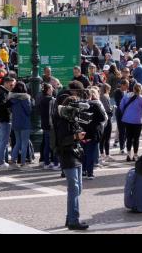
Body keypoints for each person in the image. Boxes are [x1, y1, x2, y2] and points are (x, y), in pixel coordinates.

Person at [54, 94, 89, 230]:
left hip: (76, 155)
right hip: (67, 156)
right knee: (74, 188)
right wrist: (75, 136)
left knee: (78, 188)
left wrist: (81, 136)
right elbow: (61, 141)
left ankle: (70, 218)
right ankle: (74, 220)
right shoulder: (63, 121)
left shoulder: (72, 119)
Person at [80, 88, 107, 179]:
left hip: (82, 132)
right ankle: (89, 173)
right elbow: (103, 118)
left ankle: (83, 170)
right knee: (90, 153)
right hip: (92, 132)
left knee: (83, 152)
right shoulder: (95, 105)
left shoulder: (79, 105)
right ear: (91, 96)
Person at [6, 81, 32, 169]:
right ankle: (23, 163)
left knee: (18, 142)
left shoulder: (12, 98)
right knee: (24, 143)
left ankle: (13, 162)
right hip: (25, 123)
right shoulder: (25, 98)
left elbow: (10, 110)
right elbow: (28, 111)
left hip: (15, 123)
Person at [120, 83, 142, 162]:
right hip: (137, 121)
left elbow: (121, 106)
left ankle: (128, 154)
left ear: (133, 89)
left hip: (127, 120)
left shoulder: (126, 96)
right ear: (141, 89)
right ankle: (135, 155)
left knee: (128, 137)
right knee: (136, 138)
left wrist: (125, 113)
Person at [0, 76, 16, 168]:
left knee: (3, 141)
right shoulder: (3, 93)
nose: (12, 86)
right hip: (4, 119)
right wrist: (11, 101)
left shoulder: (2, 92)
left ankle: (1, 161)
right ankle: (1, 162)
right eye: (11, 84)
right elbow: (2, 106)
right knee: (3, 141)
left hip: (3, 119)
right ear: (6, 83)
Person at [39, 83, 59, 170]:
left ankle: (46, 163)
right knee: (54, 144)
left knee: (47, 145)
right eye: (51, 89)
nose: (52, 90)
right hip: (51, 125)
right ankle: (55, 163)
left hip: (44, 124)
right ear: (47, 90)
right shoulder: (52, 99)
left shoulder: (41, 99)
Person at [99, 84, 115, 163]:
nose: (110, 91)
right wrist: (113, 108)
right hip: (107, 119)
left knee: (103, 138)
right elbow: (108, 109)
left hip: (102, 119)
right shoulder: (104, 97)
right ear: (106, 89)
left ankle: (103, 154)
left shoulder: (101, 96)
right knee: (106, 138)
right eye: (109, 89)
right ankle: (106, 155)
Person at [113, 79, 129, 154]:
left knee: (125, 131)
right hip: (120, 114)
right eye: (126, 85)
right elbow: (119, 103)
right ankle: (122, 148)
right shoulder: (118, 92)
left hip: (126, 114)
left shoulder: (126, 92)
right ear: (122, 85)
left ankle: (124, 146)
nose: (127, 87)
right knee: (121, 131)